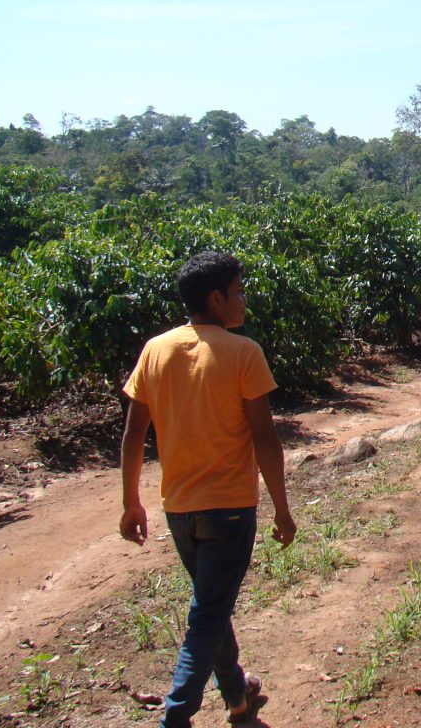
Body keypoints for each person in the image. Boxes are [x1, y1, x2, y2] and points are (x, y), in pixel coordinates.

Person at [120, 251, 297, 727]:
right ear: (216, 298)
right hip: (231, 510)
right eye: (238, 292)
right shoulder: (244, 353)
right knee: (206, 617)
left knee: (210, 602)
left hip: (180, 509)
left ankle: (238, 696)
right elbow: (264, 437)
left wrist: (131, 502)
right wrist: (282, 508)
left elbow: (135, 432)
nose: (243, 301)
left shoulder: (156, 349)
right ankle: (174, 718)